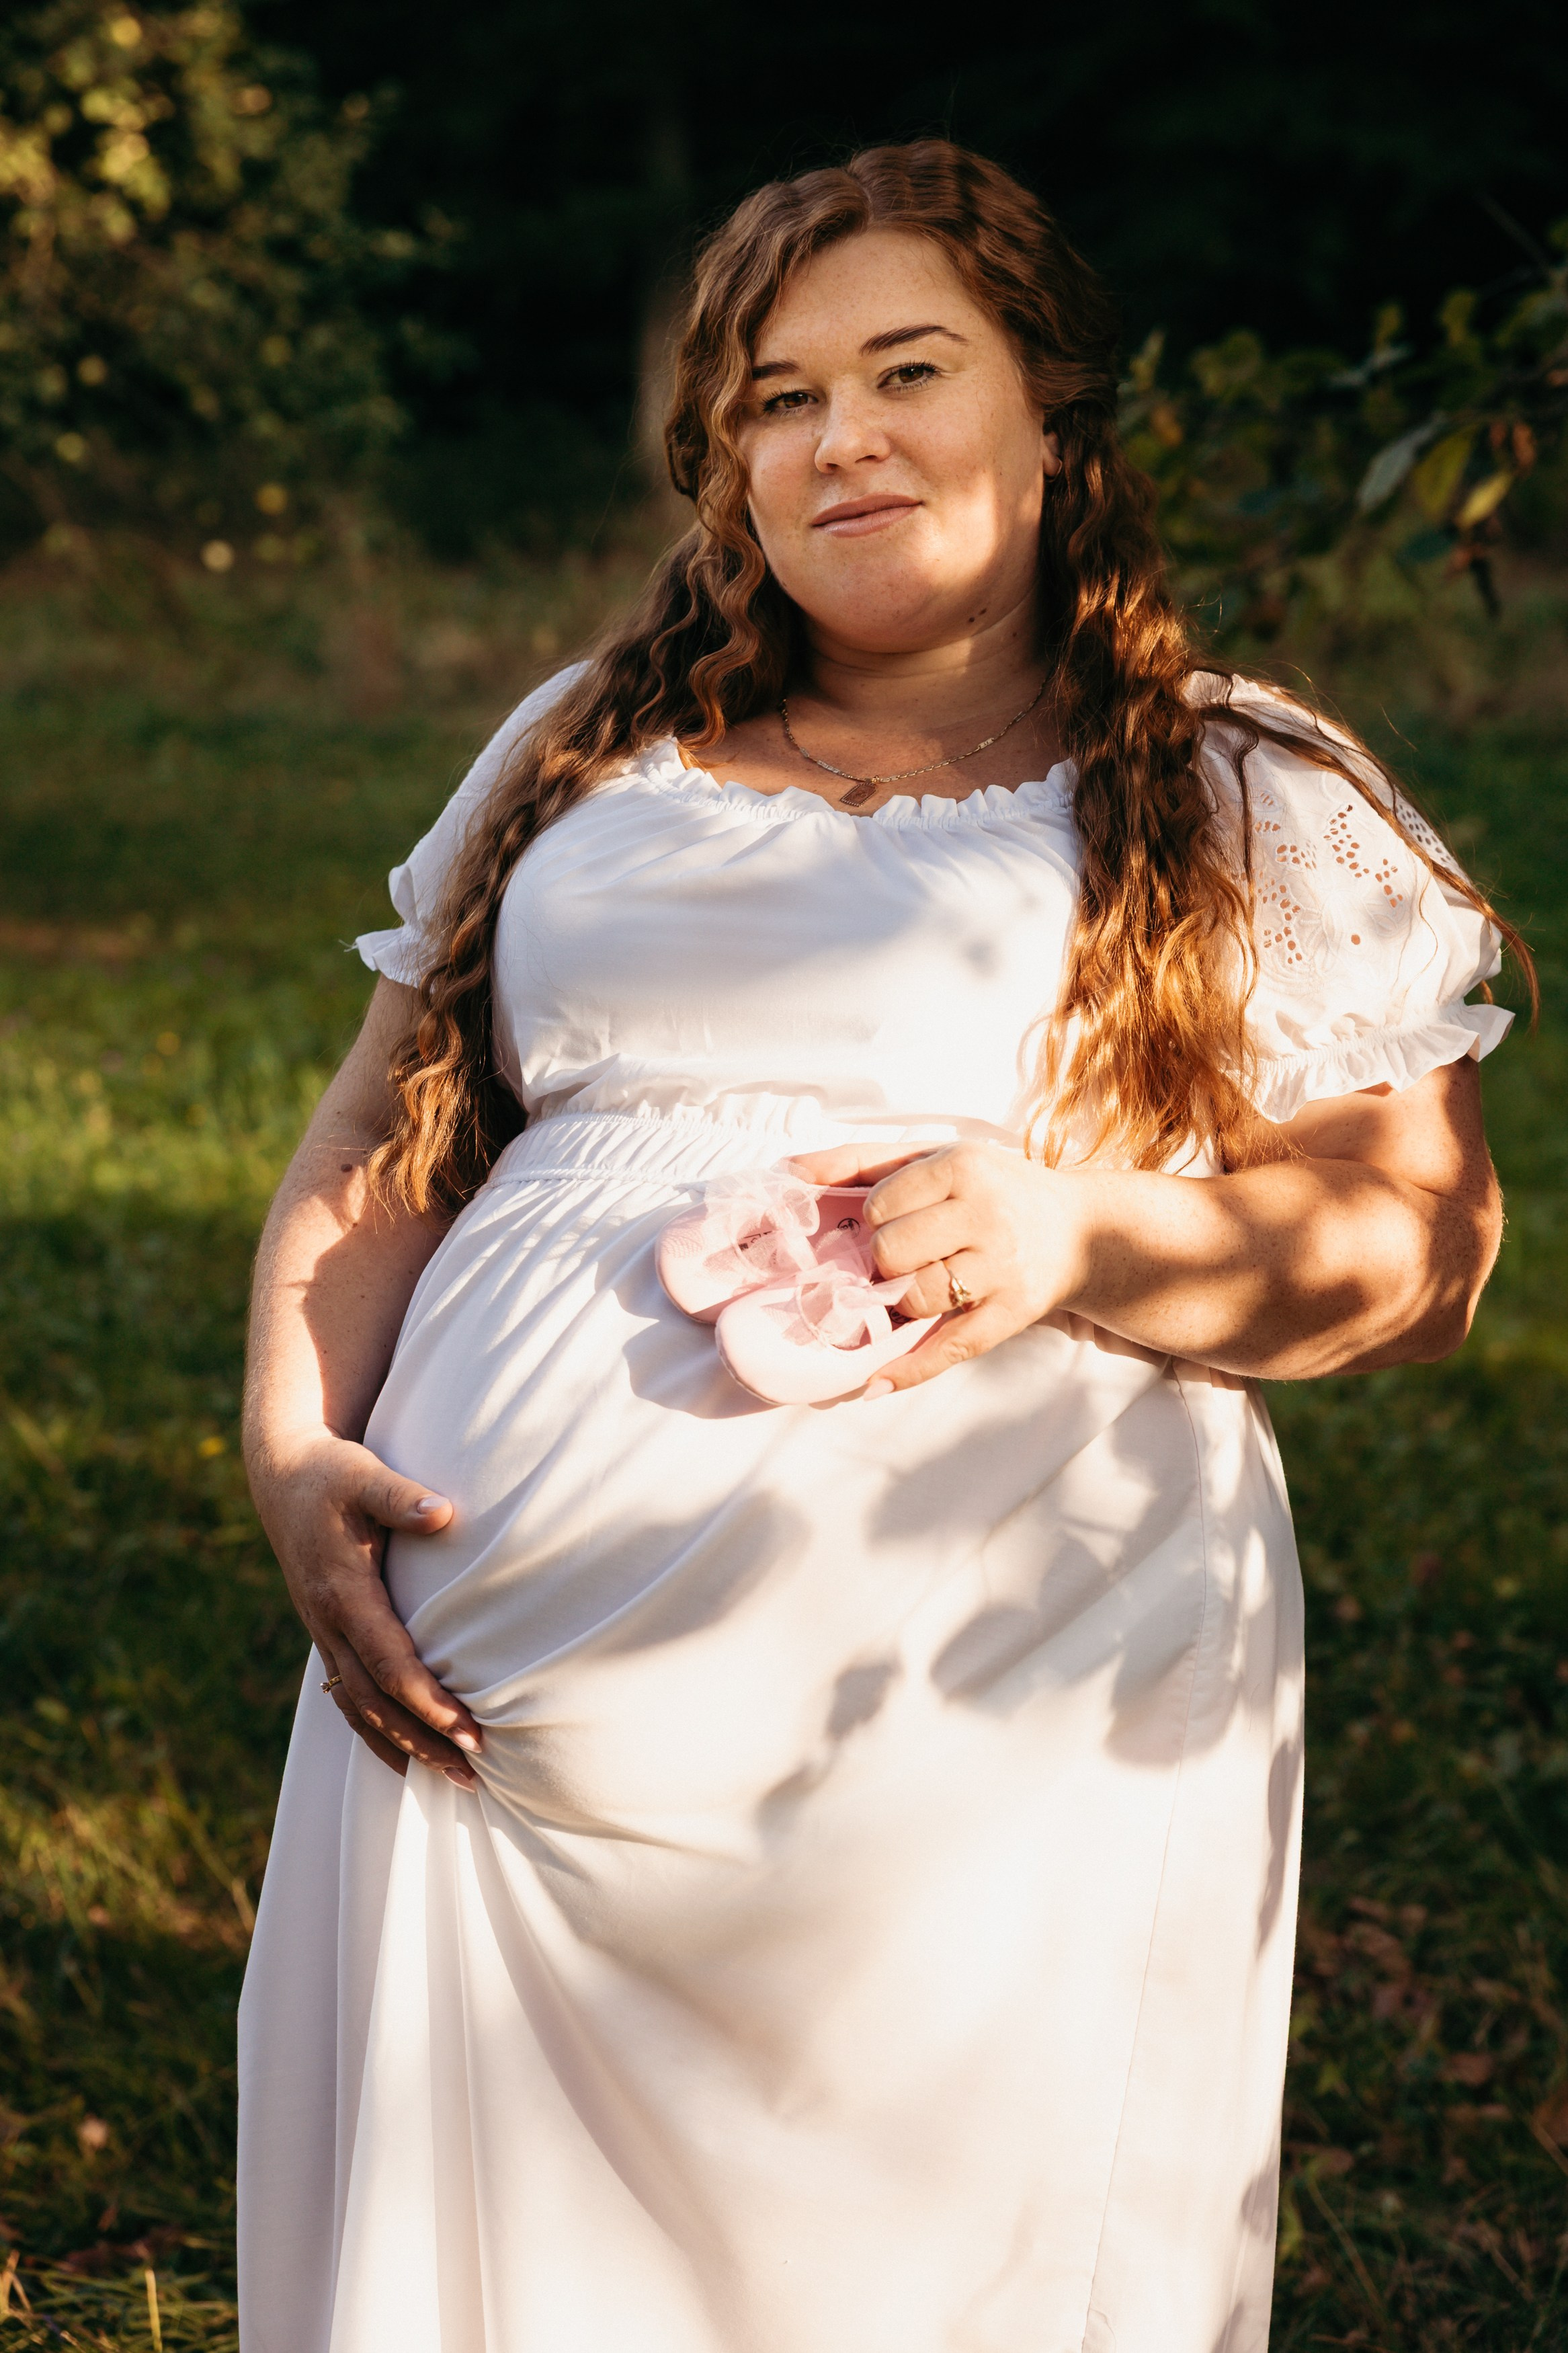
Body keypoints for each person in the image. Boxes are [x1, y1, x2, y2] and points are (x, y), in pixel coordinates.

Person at [237, 141, 1521, 2353]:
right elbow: (385, 1130)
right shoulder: (585, 746)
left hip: (1006, 1710)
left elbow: (1423, 1247)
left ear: (1048, 403)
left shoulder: (1229, 790)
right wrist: (287, 1435)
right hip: (497, 1719)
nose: (843, 438)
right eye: (774, 396)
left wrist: (1079, 1232)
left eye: (908, 368)